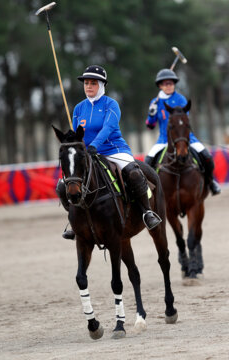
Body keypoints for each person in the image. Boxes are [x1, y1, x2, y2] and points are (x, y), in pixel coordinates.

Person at [57, 65, 161, 240]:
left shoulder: (111, 104)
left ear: (102, 85)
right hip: (88, 154)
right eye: (86, 83)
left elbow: (109, 127)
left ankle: (147, 212)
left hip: (114, 150)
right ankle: (75, 221)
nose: (89, 86)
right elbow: (77, 135)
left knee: (134, 173)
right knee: (62, 185)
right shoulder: (78, 109)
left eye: (93, 83)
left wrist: (95, 145)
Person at [145, 68, 221, 196]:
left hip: (185, 138)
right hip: (164, 140)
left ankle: (211, 182)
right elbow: (150, 126)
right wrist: (151, 113)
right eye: (165, 83)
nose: (168, 86)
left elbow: (183, 122)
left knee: (207, 157)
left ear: (174, 84)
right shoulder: (155, 102)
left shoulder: (180, 99)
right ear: (160, 86)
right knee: (147, 162)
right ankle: (150, 191)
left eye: (171, 83)